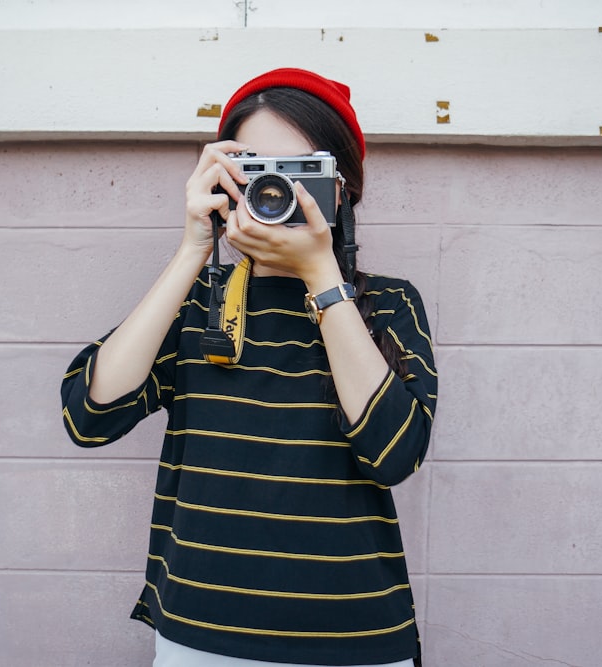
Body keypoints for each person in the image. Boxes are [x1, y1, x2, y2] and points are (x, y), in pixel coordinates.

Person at [61, 67, 437, 667]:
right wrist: (192, 249)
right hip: (198, 633)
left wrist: (322, 278)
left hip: (353, 636)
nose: (276, 190)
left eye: (300, 171)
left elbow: (393, 456)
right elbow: (89, 416)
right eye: (257, 170)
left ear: (342, 189)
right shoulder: (198, 304)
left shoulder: (387, 304)